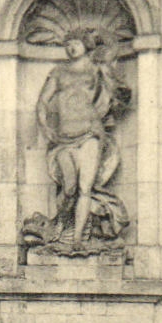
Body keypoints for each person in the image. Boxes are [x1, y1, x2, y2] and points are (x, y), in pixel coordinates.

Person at [33, 31, 128, 248]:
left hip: (91, 133)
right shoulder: (58, 72)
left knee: (85, 188)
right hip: (64, 137)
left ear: (85, 44)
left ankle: (77, 240)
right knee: (69, 188)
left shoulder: (97, 69)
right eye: (67, 44)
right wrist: (46, 128)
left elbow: (120, 91)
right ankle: (62, 226)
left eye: (75, 42)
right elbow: (42, 102)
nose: (71, 47)